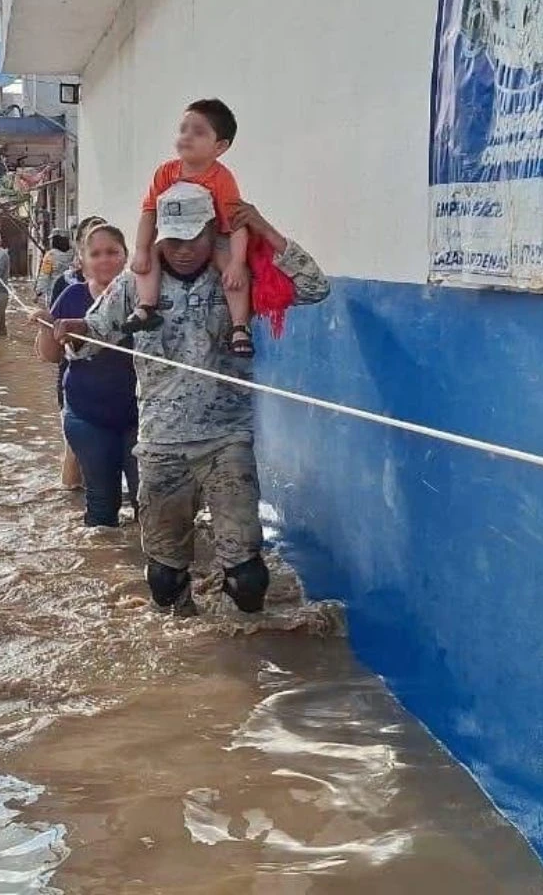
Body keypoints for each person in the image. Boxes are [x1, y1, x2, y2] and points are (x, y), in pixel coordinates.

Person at [54, 188, 331, 616]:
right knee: (165, 580)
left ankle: (244, 657)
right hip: (162, 445)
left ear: (213, 233)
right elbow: (94, 333)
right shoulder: (134, 284)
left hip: (226, 441)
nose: (184, 251)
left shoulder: (238, 275)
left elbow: (314, 288)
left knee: (248, 576)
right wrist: (75, 331)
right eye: (174, 240)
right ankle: (188, 649)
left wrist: (263, 228)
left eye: (194, 239)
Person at [127, 99, 255, 357]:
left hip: (213, 235)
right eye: (183, 129)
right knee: (146, 259)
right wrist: (141, 249)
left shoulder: (222, 178)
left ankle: (240, 326)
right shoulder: (165, 172)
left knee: (230, 269)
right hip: (171, 234)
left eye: (198, 132)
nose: (187, 137)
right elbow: (149, 212)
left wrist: (237, 262)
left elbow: (237, 223)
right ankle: (146, 306)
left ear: (220, 146)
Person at [35, 223, 139, 527]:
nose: (105, 259)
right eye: (96, 254)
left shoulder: (144, 295)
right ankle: (105, 567)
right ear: (82, 260)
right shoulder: (71, 295)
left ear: (125, 256)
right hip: (88, 416)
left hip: (141, 417)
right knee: (101, 508)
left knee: (149, 501)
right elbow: (51, 356)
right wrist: (46, 325)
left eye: (112, 252)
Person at [36, 231, 75, 307]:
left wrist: (39, 291)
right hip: (70, 289)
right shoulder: (73, 254)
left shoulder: (50, 255)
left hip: (54, 290)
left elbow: (45, 274)